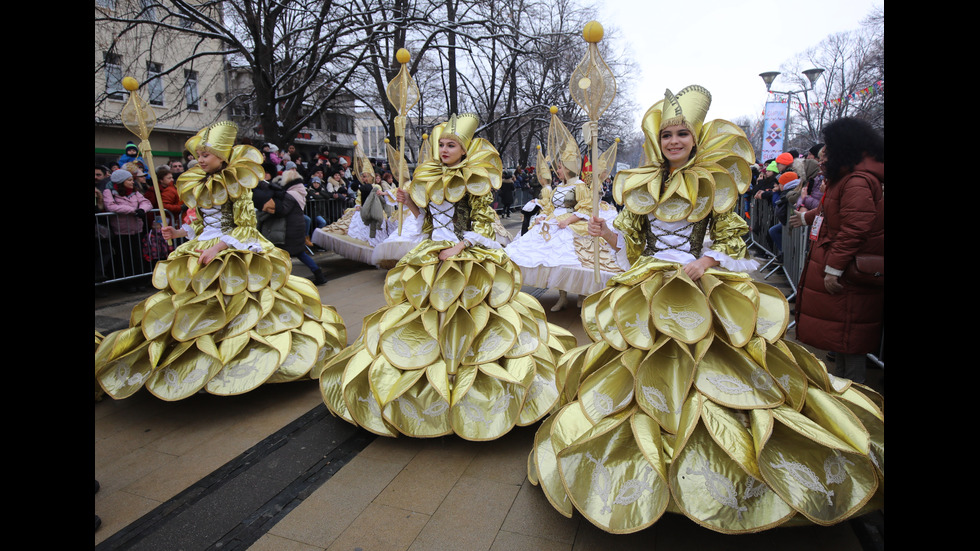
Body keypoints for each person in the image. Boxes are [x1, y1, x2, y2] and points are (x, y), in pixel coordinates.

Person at [528, 87, 884, 534]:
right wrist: (605, 234)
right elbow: (636, 246)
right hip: (651, 286)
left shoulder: (714, 183)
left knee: (717, 369)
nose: (674, 141)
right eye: (667, 134)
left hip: (700, 287)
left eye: (681, 133)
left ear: (695, 138)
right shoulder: (641, 184)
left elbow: (729, 238)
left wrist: (708, 260)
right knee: (642, 367)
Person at [317, 113, 576, 440]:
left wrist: (460, 247)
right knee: (421, 311)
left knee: (470, 312)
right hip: (432, 251)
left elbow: (483, 224)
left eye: (451, 144)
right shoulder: (428, 175)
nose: (443, 149)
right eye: (441, 144)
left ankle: (469, 378)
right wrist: (410, 201)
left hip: (463, 252)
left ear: (464, 149)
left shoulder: (475, 179)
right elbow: (426, 220)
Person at [94, 121, 346, 401]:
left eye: (206, 155)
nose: (199, 160)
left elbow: (246, 225)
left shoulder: (238, 184)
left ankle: (241, 361)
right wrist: (178, 232)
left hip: (234, 248)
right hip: (205, 246)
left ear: (222, 156)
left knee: (242, 303)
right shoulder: (198, 184)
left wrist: (220, 248)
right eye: (197, 156)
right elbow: (202, 225)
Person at [792, 117, 884, 384]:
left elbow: (856, 226)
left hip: (850, 277)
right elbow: (830, 210)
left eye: (828, 150)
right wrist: (807, 218)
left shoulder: (856, 181)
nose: (822, 157)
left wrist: (834, 267)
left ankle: (854, 402)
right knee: (842, 341)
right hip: (847, 273)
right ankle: (842, 395)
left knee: (849, 342)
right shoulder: (845, 179)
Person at [504, 107, 622, 312]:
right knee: (553, 264)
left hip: (571, 226)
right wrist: (542, 217)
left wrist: (568, 221)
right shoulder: (558, 187)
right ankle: (562, 296)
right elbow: (550, 206)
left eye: (560, 167)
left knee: (573, 262)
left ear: (567, 167)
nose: (557, 170)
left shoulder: (580, 187)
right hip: (553, 224)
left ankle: (581, 294)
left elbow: (586, 208)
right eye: (557, 167)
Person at [312, 141, 395, 266]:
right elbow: (359, 199)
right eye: (363, 176)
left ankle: (373, 256)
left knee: (371, 235)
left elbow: (379, 201)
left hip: (374, 213)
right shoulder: (363, 187)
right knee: (350, 228)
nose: (364, 178)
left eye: (366, 176)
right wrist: (357, 206)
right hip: (361, 211)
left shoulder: (376, 186)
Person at [102, 168, 153, 281]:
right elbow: (110, 206)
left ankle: (139, 280)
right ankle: (127, 282)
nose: (132, 182)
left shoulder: (135, 192)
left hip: (137, 229)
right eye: (129, 180)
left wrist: (142, 210)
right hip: (121, 231)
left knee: (137, 256)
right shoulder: (109, 192)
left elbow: (146, 202)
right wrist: (132, 210)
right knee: (124, 257)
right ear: (121, 181)